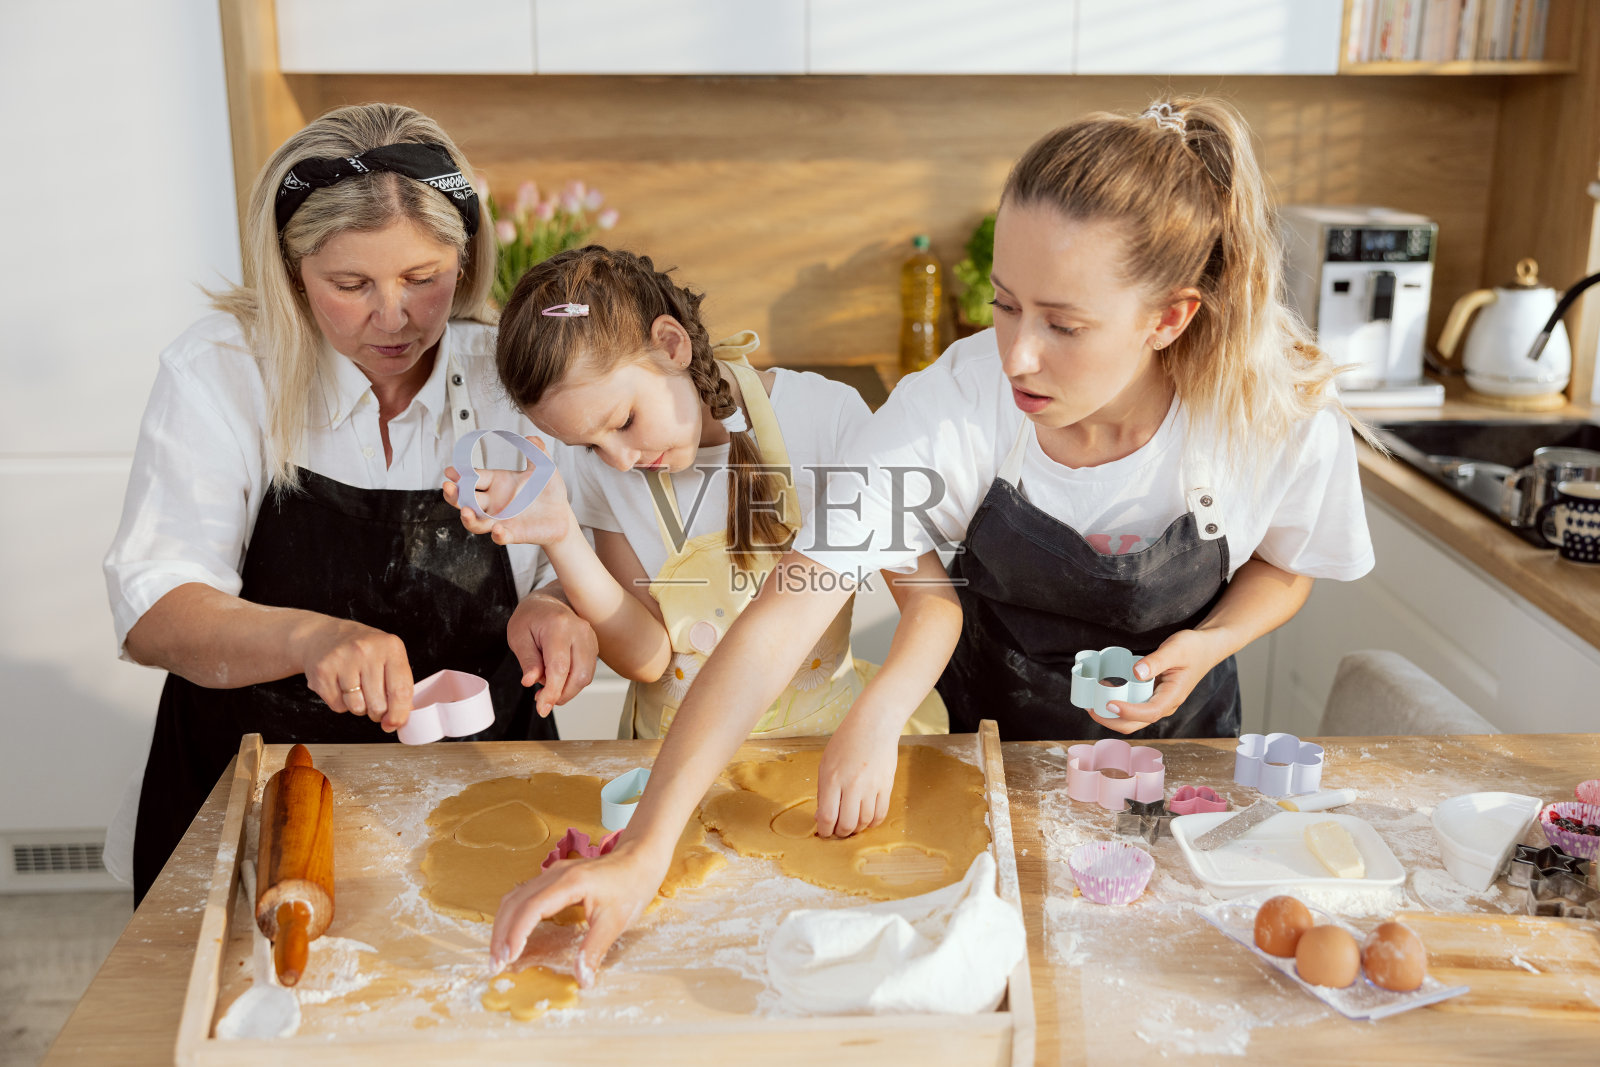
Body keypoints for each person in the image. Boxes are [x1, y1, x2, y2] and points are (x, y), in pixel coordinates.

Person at [482, 97, 1375, 979]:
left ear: (1168, 319)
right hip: (977, 758)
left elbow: (1285, 566)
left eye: (1064, 325)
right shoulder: (956, 403)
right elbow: (778, 624)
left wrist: (1213, 639)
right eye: (1006, 304)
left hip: (1176, 765)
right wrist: (643, 849)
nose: (1017, 354)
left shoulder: (1277, 413)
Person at [105, 103, 597, 905]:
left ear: (466, 261)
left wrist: (554, 606)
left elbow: (572, 556)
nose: (394, 316)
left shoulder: (514, 373)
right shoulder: (224, 372)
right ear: (292, 267)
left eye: (422, 278)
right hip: (258, 789)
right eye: (351, 284)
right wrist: (310, 637)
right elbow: (154, 609)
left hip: (483, 786)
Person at [443, 246, 951, 833]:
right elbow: (649, 656)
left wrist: (877, 721)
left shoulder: (824, 416)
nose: (621, 459)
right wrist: (561, 535)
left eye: (625, 421)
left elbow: (932, 603)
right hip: (676, 782)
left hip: (826, 760)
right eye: (589, 445)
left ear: (671, 345)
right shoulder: (603, 470)